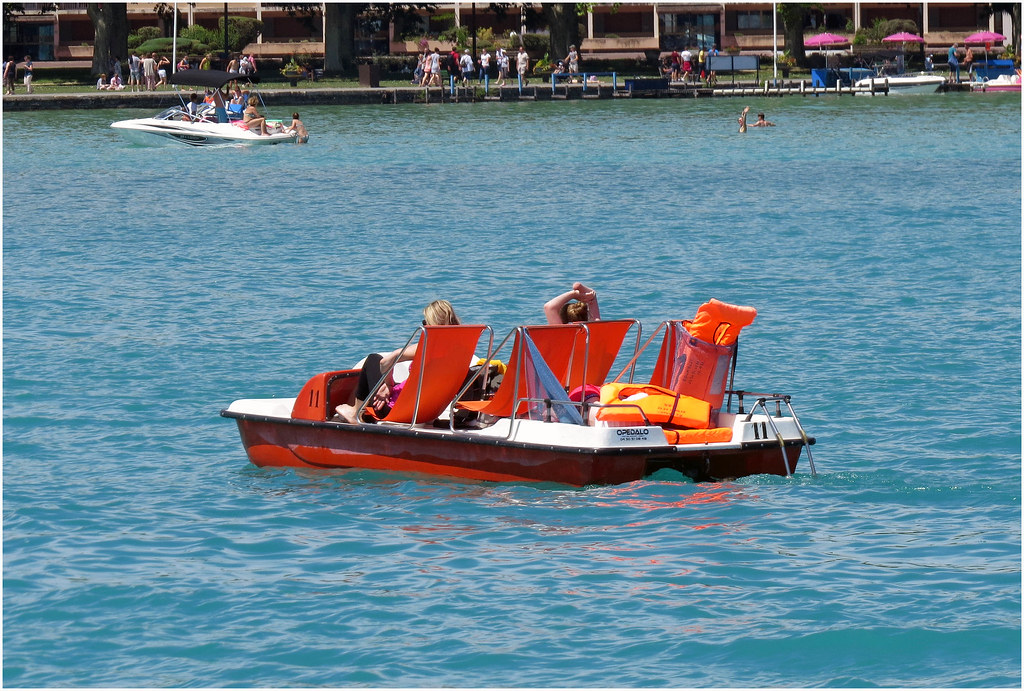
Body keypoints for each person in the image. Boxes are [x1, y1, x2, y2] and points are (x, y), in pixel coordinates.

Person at [334, 300, 462, 423]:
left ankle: (355, 413)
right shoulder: (461, 347)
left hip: (398, 410)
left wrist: (388, 384)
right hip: (429, 412)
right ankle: (362, 411)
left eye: (425, 322)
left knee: (373, 359)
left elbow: (386, 362)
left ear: (432, 323)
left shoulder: (428, 347)